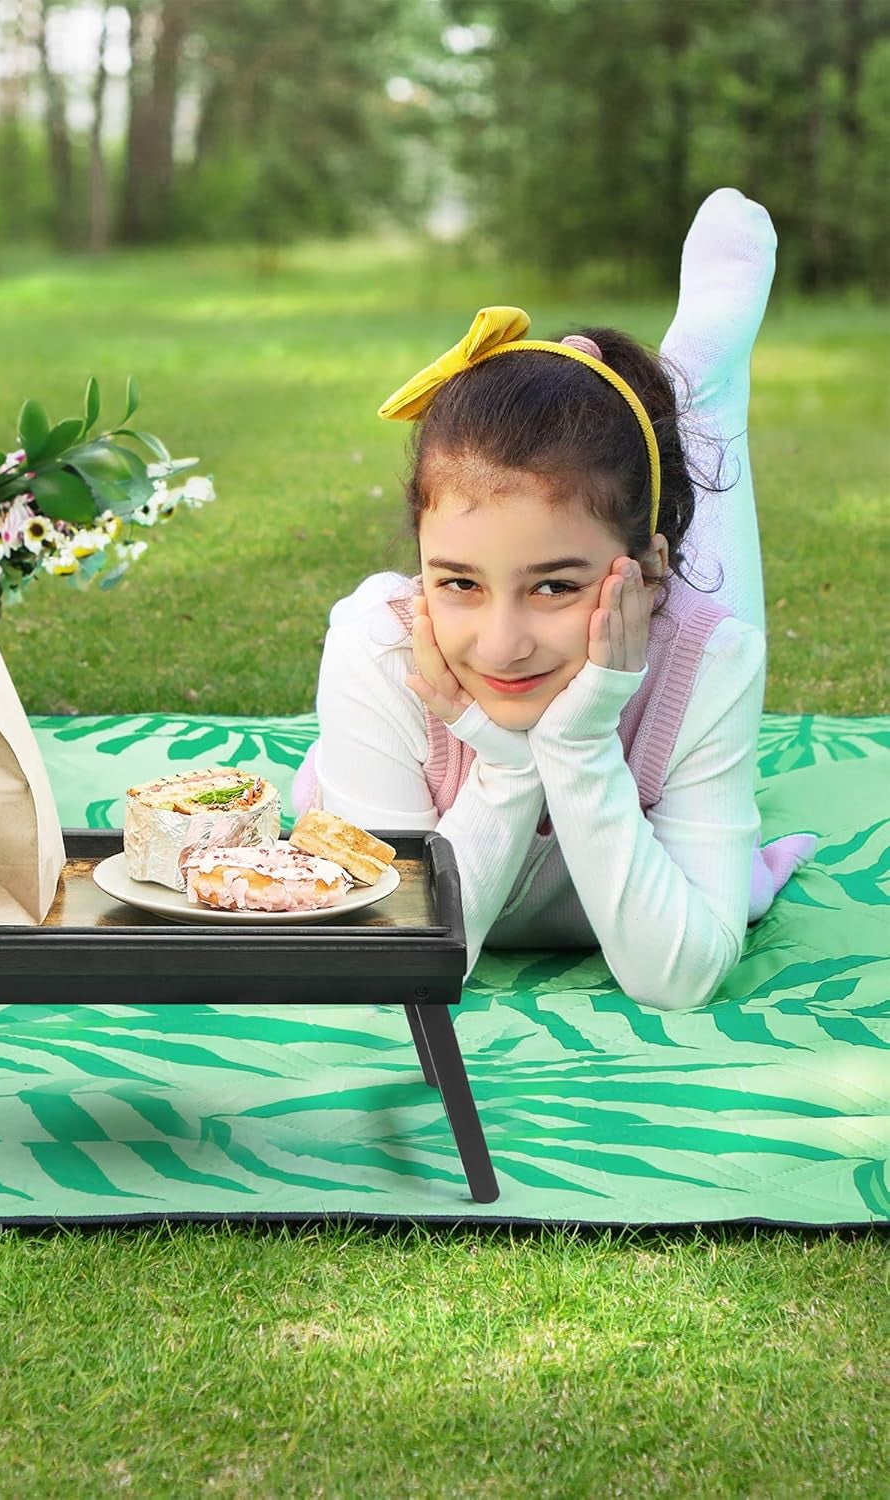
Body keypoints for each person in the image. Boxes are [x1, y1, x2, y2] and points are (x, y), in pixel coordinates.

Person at [296, 188, 814, 1011]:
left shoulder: (707, 658)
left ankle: (703, 398)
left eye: (555, 586)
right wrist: (504, 764)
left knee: (708, 625)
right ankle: (692, 403)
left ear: (641, 572)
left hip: (654, 653)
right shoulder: (380, 651)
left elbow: (680, 977)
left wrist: (577, 737)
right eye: (458, 581)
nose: (502, 646)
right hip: (493, 817)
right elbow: (392, 963)